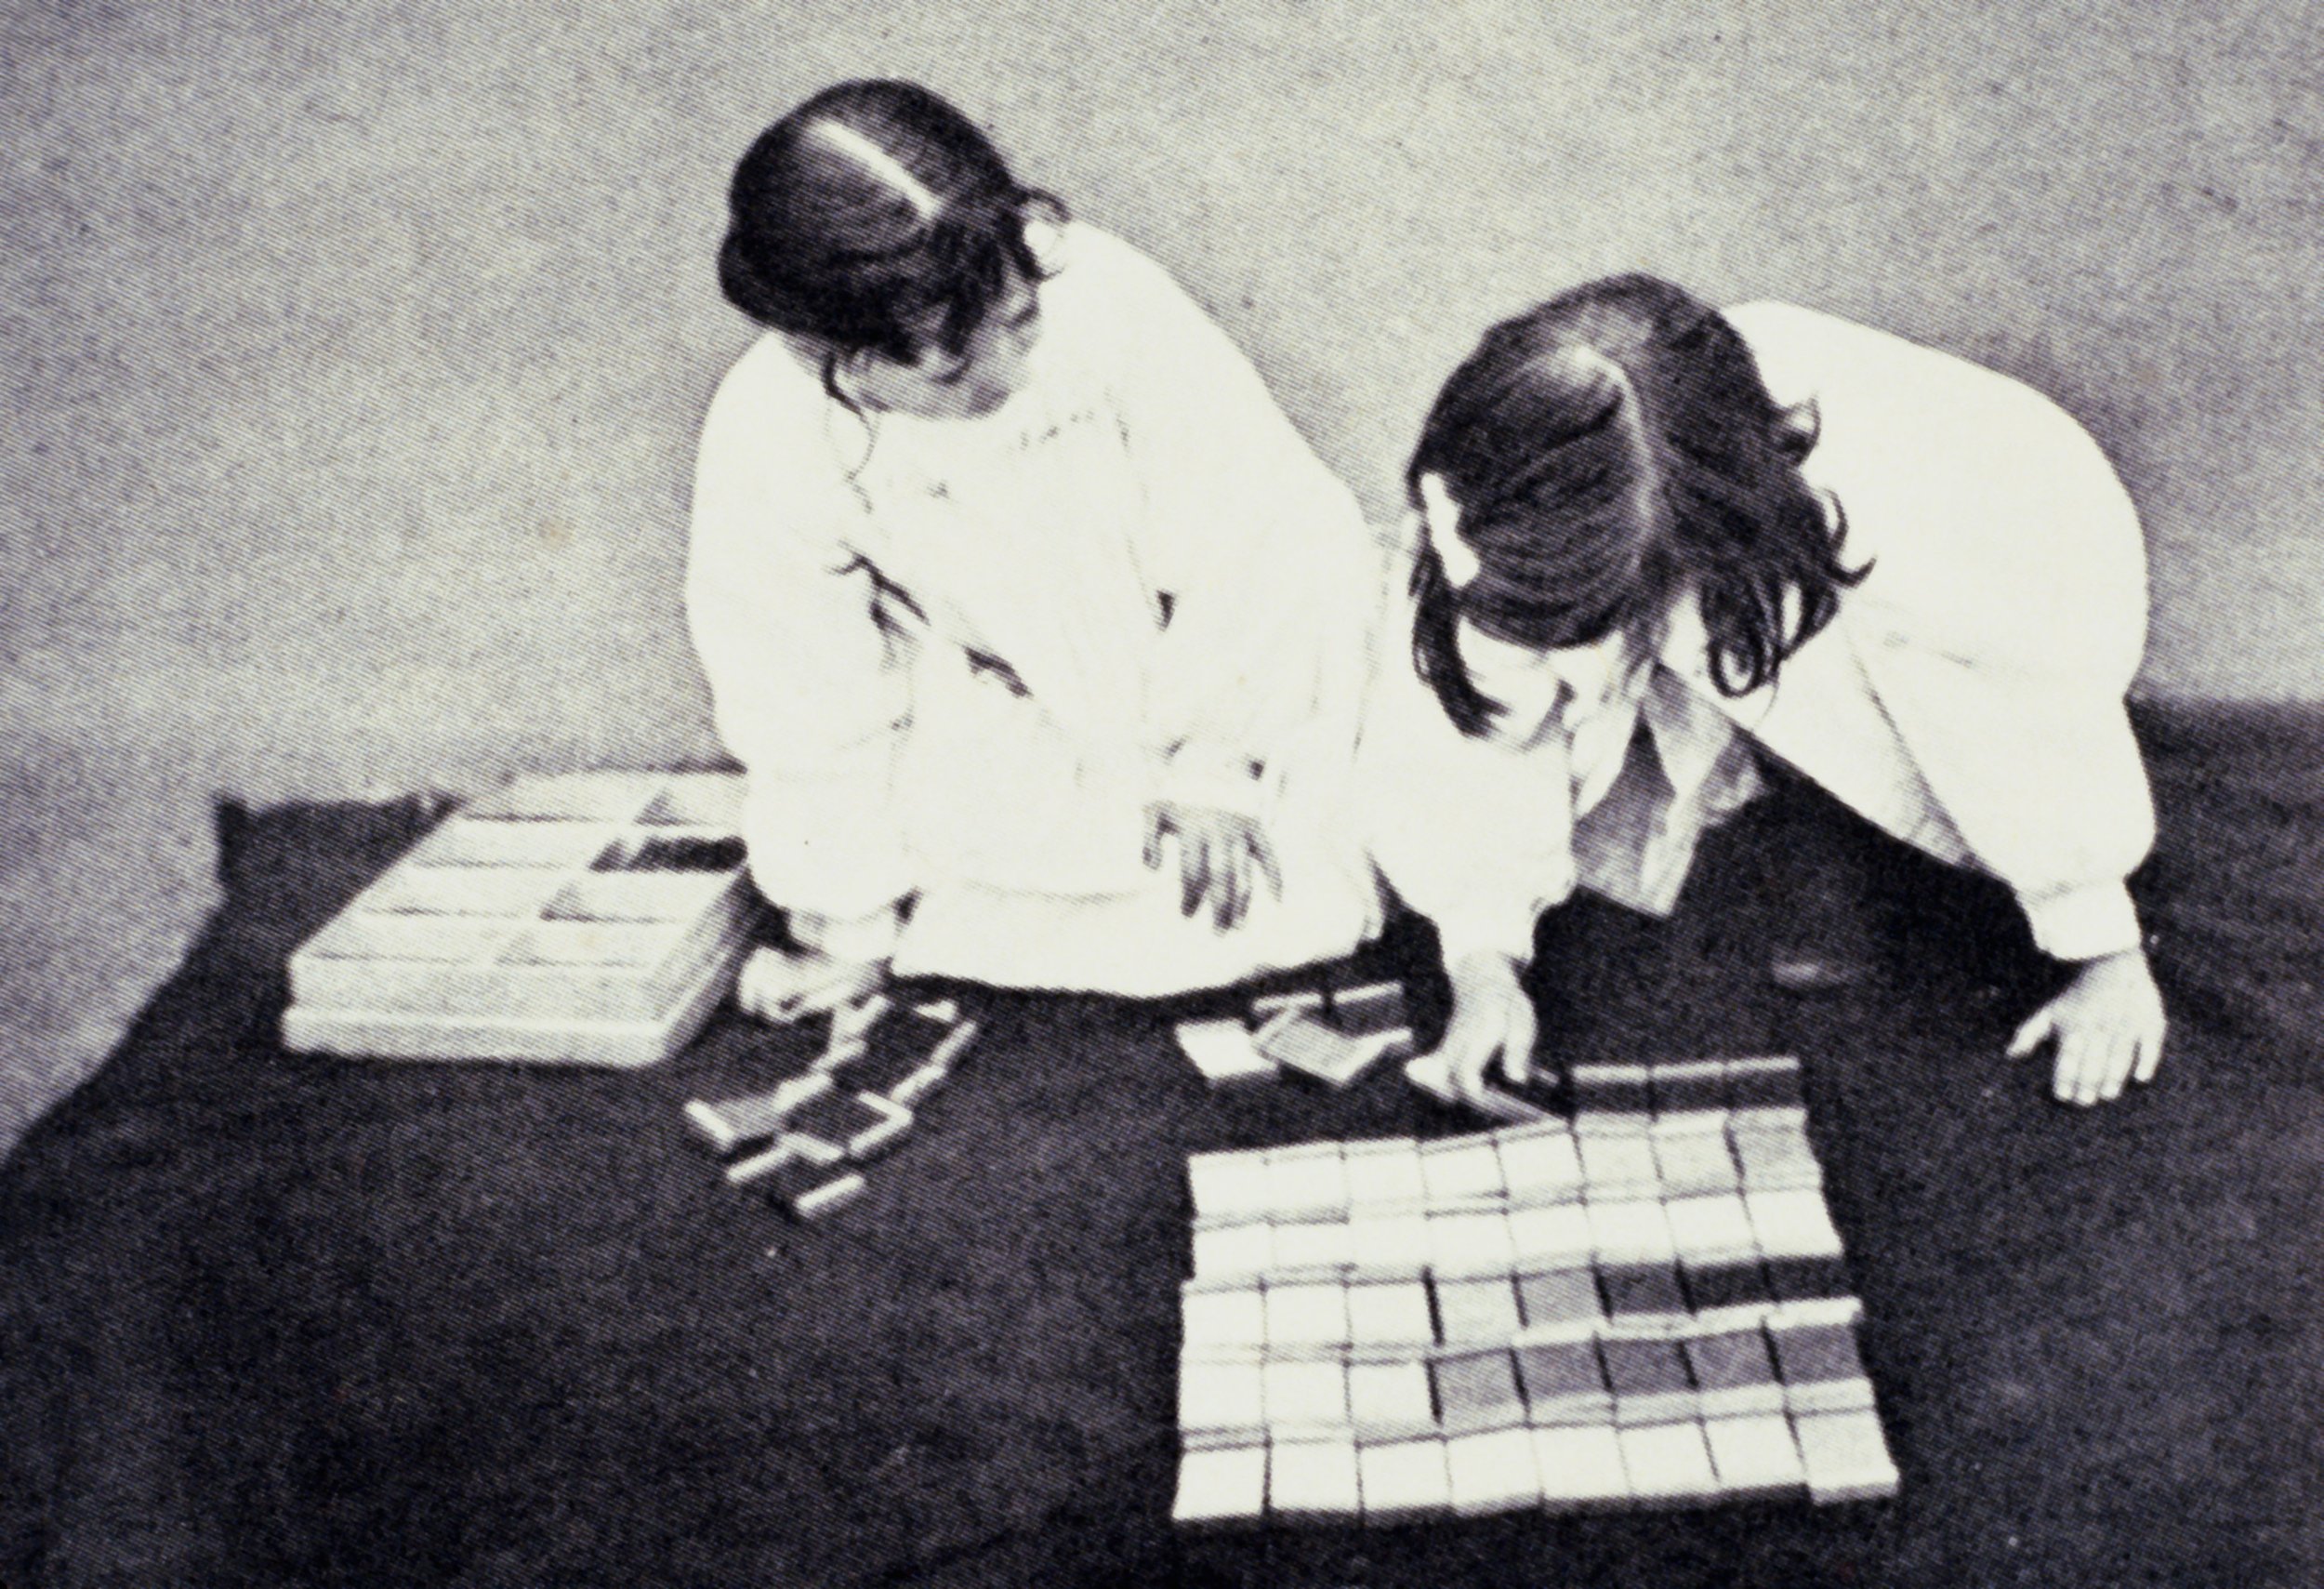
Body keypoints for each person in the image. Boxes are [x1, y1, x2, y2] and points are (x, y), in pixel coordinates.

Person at [1360, 274, 2165, 1108]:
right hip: (1730, 552)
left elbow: (2010, 719)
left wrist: (2103, 948)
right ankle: (1762, 750)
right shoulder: (1533, 480)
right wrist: (1483, 954)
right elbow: (1475, 695)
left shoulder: (1906, 552)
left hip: (2018, 560)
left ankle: (1836, 811)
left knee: (1880, 729)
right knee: (1625, 667)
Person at [686, 81, 1384, 1016]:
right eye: (950, 368)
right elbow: (799, 696)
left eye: (1018, 325)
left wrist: (1211, 762)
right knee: (985, 899)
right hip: (995, 693)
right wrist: (849, 928)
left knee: (1308, 867)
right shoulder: (772, 430)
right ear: (830, 355)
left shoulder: (1104, 293)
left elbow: (1252, 525)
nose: (1010, 375)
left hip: (1197, 656)